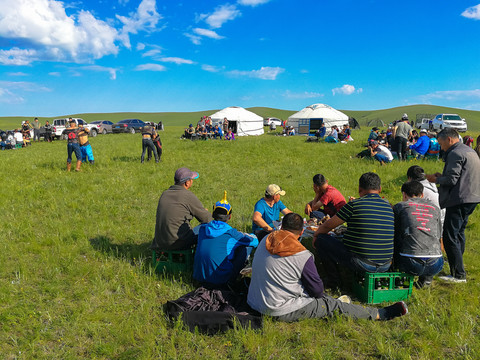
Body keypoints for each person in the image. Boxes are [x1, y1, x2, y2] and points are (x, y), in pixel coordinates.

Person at [247, 213, 408, 322]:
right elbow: (316, 291)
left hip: (254, 301)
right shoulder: (303, 255)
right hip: (277, 309)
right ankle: (380, 314)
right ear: (302, 232)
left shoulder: (266, 239)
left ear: (281, 227)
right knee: (332, 305)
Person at [313, 172, 394, 288]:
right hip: (386, 264)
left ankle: (333, 281)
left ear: (360, 189)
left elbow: (327, 226)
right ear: (380, 189)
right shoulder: (389, 207)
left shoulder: (354, 205)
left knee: (321, 239)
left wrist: (316, 235)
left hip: (363, 263)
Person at [425, 128, 480, 283]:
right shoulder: (468, 150)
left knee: (449, 235)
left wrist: (434, 179)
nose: (441, 147)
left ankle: (458, 274)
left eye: (441, 143)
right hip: (472, 196)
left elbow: (452, 180)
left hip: (459, 198)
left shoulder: (455, 153)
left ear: (449, 139)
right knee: (459, 233)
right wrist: (443, 177)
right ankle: (457, 262)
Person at [193, 191, 259, 289]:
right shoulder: (231, 233)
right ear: (230, 216)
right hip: (221, 281)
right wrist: (249, 234)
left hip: (199, 278)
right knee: (246, 247)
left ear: (212, 214)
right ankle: (234, 278)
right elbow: (254, 241)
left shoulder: (202, 229)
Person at [393, 181, 443, 288]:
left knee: (397, 239)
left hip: (410, 262)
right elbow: (439, 234)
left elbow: (395, 233)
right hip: (436, 263)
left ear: (404, 194)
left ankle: (402, 279)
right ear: (422, 194)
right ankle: (426, 279)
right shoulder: (435, 208)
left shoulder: (400, 207)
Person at [152, 167, 212, 252]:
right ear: (187, 183)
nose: (192, 181)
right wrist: (205, 211)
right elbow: (207, 219)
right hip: (178, 243)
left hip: (159, 242)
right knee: (206, 228)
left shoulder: (165, 194)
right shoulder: (187, 195)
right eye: (191, 179)